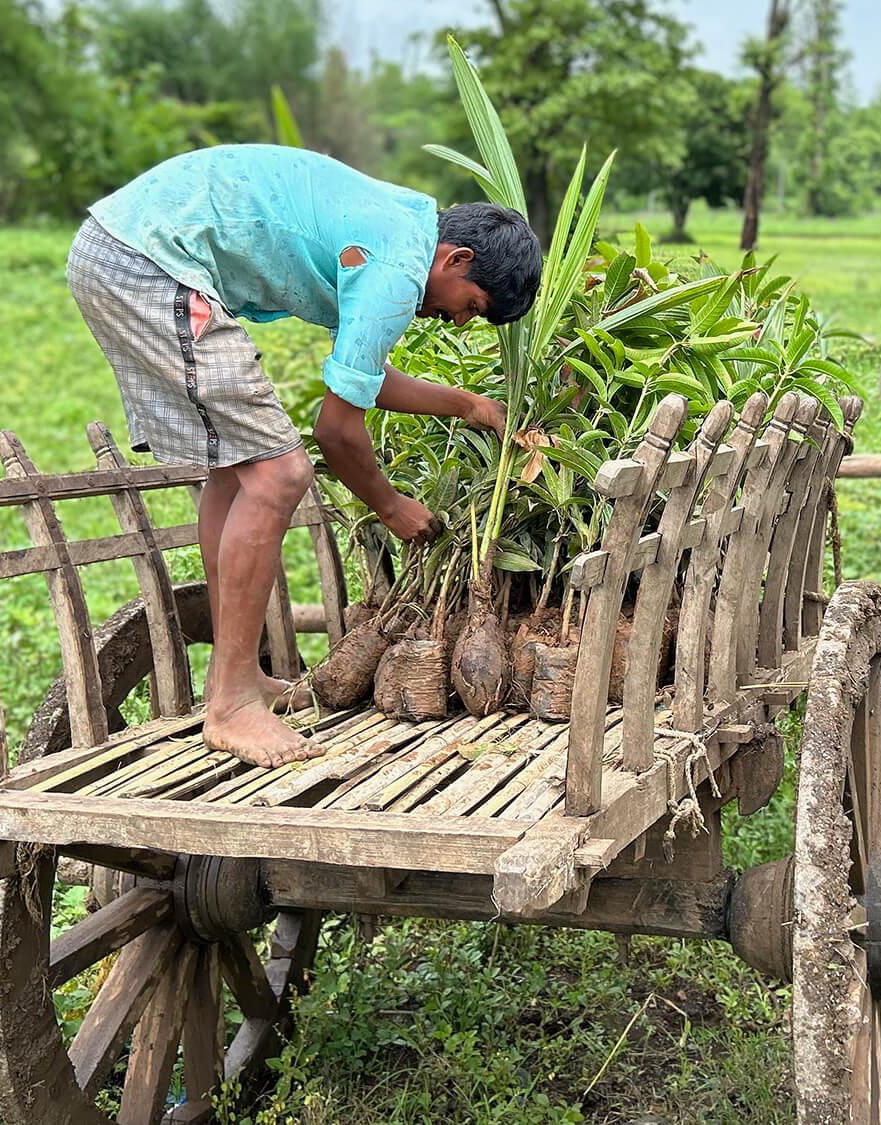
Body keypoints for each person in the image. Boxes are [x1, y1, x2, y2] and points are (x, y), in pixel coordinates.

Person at [66, 144, 540, 768]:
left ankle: (240, 677)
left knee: (235, 476)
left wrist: (472, 406)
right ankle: (231, 701)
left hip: (121, 248)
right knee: (280, 473)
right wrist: (391, 506)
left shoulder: (399, 227)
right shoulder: (400, 266)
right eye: (471, 307)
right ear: (458, 259)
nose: (456, 322)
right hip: (147, 263)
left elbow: (361, 381)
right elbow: (336, 432)